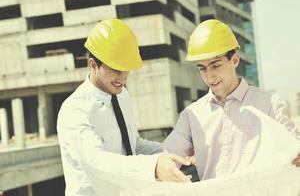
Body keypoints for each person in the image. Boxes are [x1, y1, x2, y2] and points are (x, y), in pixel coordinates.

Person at [57, 18, 192, 196]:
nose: (123, 78)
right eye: (116, 70)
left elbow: (131, 144)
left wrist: (171, 154)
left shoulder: (121, 95)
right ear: (93, 65)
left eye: (127, 69)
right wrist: (154, 166)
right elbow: (96, 163)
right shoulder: (74, 111)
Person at [163, 19, 300, 180]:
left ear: (234, 60)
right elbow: (165, 157)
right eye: (203, 69)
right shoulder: (191, 115)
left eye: (215, 65)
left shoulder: (270, 104)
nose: (209, 76)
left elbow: (293, 152)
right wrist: (163, 164)